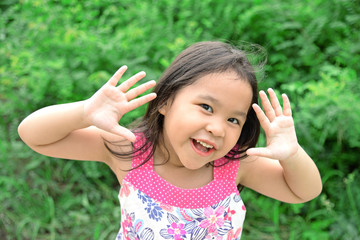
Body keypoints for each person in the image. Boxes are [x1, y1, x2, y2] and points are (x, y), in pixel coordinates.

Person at [18, 41, 322, 240]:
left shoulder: (236, 164)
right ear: (165, 102)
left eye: (233, 120)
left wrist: (291, 154)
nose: (217, 128)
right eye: (206, 107)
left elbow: (304, 192)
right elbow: (34, 136)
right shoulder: (129, 150)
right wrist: (84, 111)